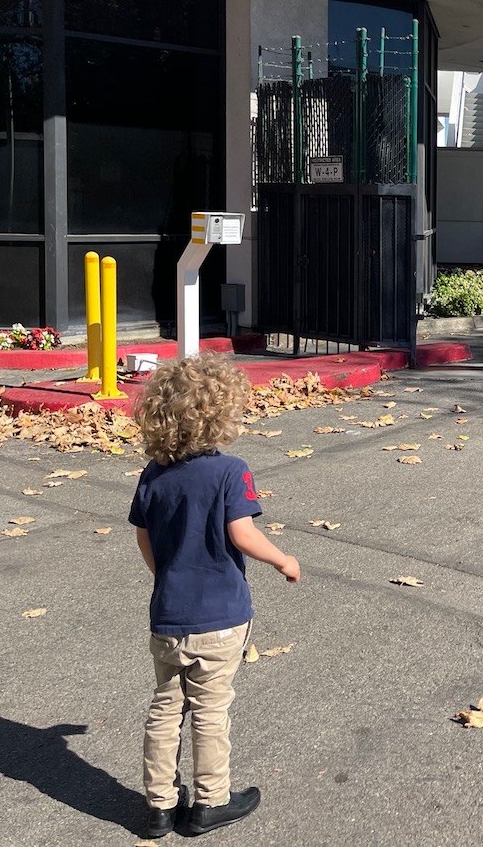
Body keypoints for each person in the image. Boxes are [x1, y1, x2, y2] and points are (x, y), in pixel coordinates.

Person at [129, 355, 299, 839]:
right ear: (221, 414)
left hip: (167, 616)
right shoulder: (229, 471)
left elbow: (143, 538)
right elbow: (241, 534)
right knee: (209, 710)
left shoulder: (153, 474)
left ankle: (159, 806)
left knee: (165, 706)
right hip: (220, 618)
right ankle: (210, 801)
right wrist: (284, 560)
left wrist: (165, 575)